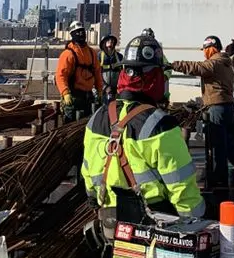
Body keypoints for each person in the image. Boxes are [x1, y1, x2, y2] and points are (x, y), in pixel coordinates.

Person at [81, 33, 205, 231]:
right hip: (153, 226)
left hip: (110, 224)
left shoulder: (96, 119)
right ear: (154, 77)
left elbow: (88, 175)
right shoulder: (161, 125)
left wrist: (95, 199)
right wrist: (194, 223)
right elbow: (182, 189)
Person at [170, 36, 234, 191]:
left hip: (217, 109)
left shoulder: (216, 62)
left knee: (217, 148)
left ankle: (218, 181)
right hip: (228, 108)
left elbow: (198, 67)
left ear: (211, 48)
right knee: (228, 145)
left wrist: (173, 65)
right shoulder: (226, 62)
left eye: (205, 50)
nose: (204, 53)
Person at [56, 20, 102, 121]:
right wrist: (65, 93)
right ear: (72, 35)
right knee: (70, 124)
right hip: (73, 96)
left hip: (88, 96)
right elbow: (60, 75)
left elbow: (97, 73)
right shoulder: (68, 54)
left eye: (82, 31)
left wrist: (99, 90)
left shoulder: (91, 53)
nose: (81, 34)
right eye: (78, 32)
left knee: (87, 124)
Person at [142, 27, 172, 105]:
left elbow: (167, 67)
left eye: (149, 39)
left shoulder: (157, 52)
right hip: (141, 87)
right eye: (145, 39)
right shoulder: (138, 53)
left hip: (154, 88)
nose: (147, 42)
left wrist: (164, 77)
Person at [99, 34, 123, 103]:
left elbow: (122, 73)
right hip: (103, 90)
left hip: (116, 90)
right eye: (108, 40)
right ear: (104, 43)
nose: (111, 42)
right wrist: (105, 87)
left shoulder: (119, 56)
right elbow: (96, 74)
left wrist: (120, 87)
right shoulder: (99, 56)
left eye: (112, 41)